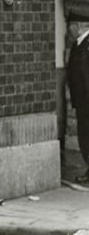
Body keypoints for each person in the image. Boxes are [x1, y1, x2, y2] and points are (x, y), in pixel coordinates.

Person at [66, 13, 89, 183]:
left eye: (70, 25)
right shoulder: (78, 44)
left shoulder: (87, 45)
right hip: (82, 101)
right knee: (84, 135)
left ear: (79, 25)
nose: (68, 29)